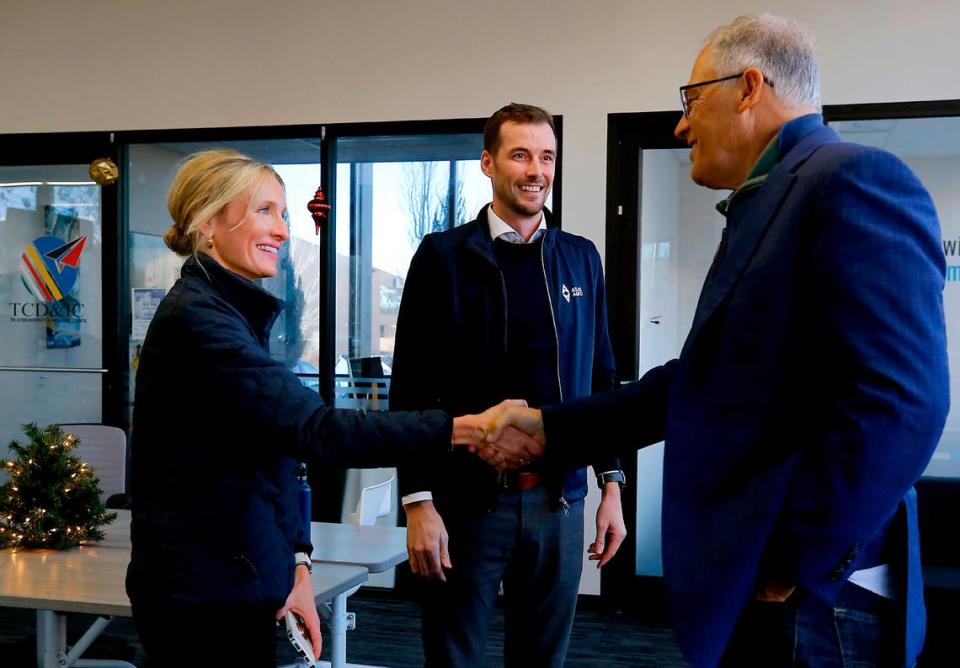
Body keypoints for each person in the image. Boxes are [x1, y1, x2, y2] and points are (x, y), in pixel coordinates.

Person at [484, 15, 949, 668]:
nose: (681, 125)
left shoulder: (850, 180)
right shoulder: (770, 202)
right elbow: (701, 380)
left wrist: (798, 557)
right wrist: (548, 427)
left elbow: (903, 403)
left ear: (750, 86)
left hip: (817, 605)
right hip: (771, 590)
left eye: (691, 100)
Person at [125, 149, 527, 667]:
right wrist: (463, 428)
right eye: (264, 211)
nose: (283, 230)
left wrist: (295, 565)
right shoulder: (200, 322)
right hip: (201, 594)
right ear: (208, 224)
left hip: (236, 579)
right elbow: (318, 431)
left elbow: (276, 456)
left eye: (284, 215)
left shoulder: (229, 311)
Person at [390, 103, 626, 667]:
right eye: (520, 155)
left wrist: (611, 484)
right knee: (454, 657)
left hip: (558, 504)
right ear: (488, 164)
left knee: (542, 660)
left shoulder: (580, 259)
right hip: (465, 506)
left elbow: (602, 380)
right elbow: (411, 388)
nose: (535, 170)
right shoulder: (442, 258)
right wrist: (417, 500)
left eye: (546, 157)